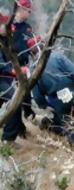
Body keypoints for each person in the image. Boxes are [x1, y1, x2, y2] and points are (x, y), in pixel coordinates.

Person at [30, 39, 74, 146]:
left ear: (31, 53)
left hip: (57, 101)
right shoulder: (57, 56)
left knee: (70, 129)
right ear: (45, 46)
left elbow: (37, 96)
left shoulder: (33, 69)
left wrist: (46, 106)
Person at [0, 13, 29, 148]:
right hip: (1, 79)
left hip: (4, 78)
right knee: (14, 102)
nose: (9, 30)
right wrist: (13, 70)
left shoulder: (5, 40)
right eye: (5, 27)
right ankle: (8, 139)